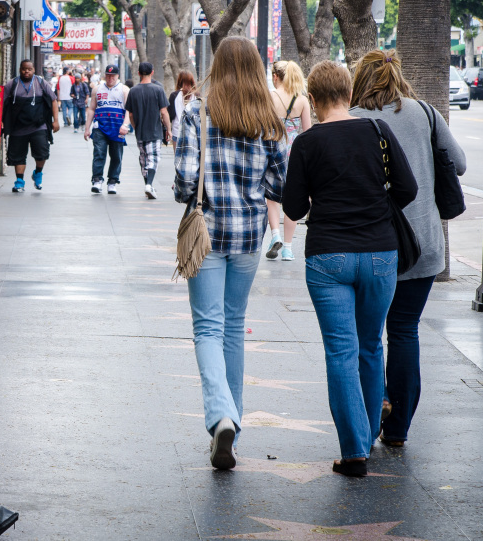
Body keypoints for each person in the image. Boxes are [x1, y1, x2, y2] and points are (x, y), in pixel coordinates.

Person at [283, 61, 418, 477]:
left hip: (328, 258)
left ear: (314, 97)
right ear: (348, 92)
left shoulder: (306, 143)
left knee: (340, 351)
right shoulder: (377, 132)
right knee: (371, 345)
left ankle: (354, 449)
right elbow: (408, 189)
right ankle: (372, 431)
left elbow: (293, 207)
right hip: (380, 254)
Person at [174, 38, 287, 470]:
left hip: (206, 232)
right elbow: (281, 183)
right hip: (247, 236)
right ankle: (232, 430)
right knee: (234, 326)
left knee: (207, 327)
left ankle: (221, 415)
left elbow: (186, 183)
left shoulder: (197, 113)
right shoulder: (269, 119)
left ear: (216, 67)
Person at [349, 50, 466, 447]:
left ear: (360, 80)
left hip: (370, 243)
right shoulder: (427, 114)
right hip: (424, 245)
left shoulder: (353, 119)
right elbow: (460, 163)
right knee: (404, 330)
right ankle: (398, 430)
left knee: (367, 334)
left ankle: (375, 404)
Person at [265, 61, 312, 261]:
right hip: (294, 151)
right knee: (292, 198)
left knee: (272, 196)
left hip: (273, 147)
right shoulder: (301, 100)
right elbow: (308, 131)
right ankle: (288, 248)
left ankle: (275, 233)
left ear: (276, 76)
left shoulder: (269, 97)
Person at [3, 59, 60, 193]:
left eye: (29, 69)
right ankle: (19, 181)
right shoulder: (13, 84)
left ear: (34, 70)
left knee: (42, 153)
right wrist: (2, 121)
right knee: (18, 155)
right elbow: (2, 102)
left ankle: (38, 173)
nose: (26, 71)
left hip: (38, 125)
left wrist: (55, 120)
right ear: (20, 70)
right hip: (18, 126)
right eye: (24, 69)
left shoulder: (40, 83)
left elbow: (53, 100)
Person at [125, 62, 171, 199]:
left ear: (139, 73)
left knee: (144, 158)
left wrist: (134, 126)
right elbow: (164, 112)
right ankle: (149, 184)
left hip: (140, 131)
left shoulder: (133, 91)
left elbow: (131, 114)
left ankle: (148, 185)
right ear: (152, 72)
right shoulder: (158, 90)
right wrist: (169, 129)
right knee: (153, 158)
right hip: (154, 130)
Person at [85, 64, 130, 194]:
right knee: (99, 153)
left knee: (116, 156)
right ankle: (97, 180)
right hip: (100, 127)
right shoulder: (97, 89)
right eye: (108, 75)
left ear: (117, 76)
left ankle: (112, 181)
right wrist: (87, 128)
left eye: (113, 76)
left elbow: (128, 110)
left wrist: (125, 125)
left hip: (117, 127)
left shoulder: (124, 90)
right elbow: (92, 109)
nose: (110, 78)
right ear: (105, 75)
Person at [167, 70, 197, 145]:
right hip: (193, 131)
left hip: (177, 130)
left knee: (177, 156)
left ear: (179, 81)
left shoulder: (174, 95)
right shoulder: (196, 95)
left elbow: (171, 114)